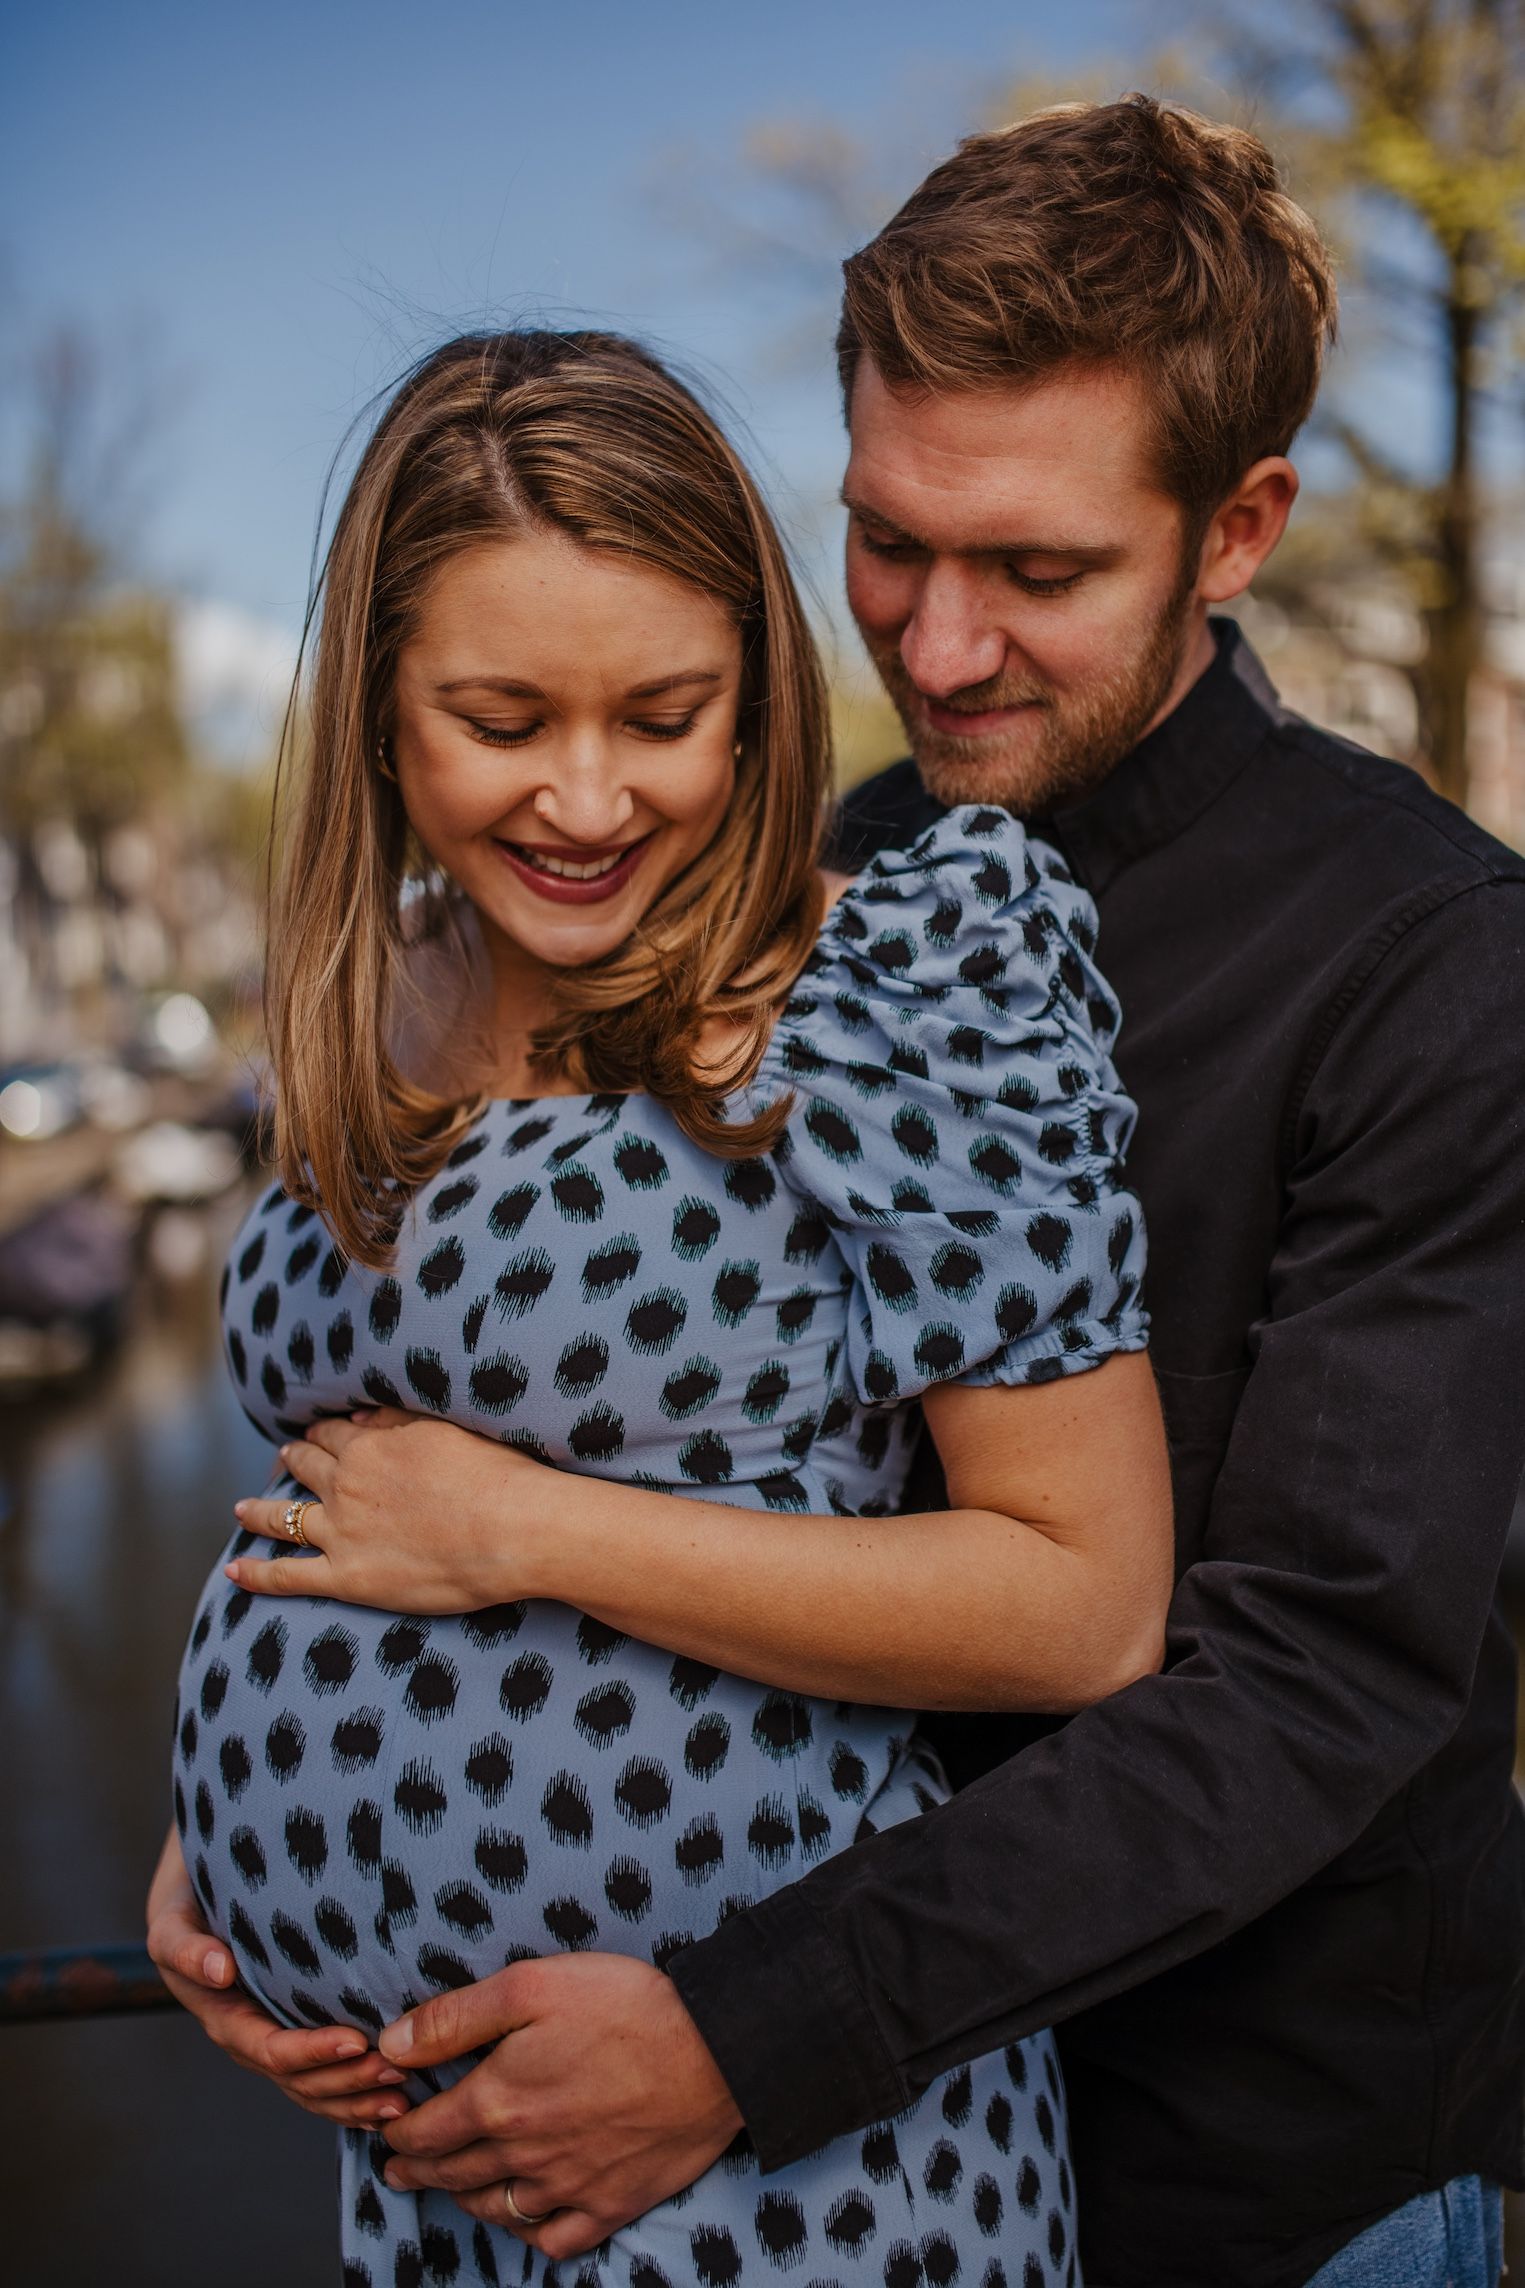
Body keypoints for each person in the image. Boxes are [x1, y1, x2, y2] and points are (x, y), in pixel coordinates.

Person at [151, 97, 1525, 2287]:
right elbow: (538, 1435)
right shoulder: (794, 887)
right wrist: (262, 1823)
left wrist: (746, 2029)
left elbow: (1313, 1686)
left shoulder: (1430, 957)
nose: (940, 646)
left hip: (1241, 2166)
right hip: (658, 2124)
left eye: (1037, 572)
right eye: (888, 544)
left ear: (1237, 528)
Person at [149, 324, 1173, 2287]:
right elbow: (351, 1494)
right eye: (500, 717)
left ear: (757, 701)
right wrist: (220, 1843)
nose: (586, 795)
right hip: (430, 2162)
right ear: (379, 714)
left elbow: (1086, 1600)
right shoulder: (366, 1005)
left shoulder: (893, 1002)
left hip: (787, 2169)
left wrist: (527, 1532)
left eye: (663, 713)